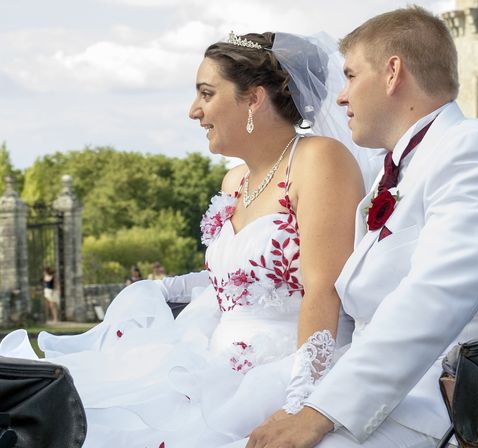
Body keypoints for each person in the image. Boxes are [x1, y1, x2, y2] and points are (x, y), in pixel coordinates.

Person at [0, 31, 371, 447]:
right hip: (213, 359)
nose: (194, 111)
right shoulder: (235, 180)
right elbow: (241, 279)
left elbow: (323, 287)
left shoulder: (320, 159)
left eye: (206, 94)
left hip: (285, 366)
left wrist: (301, 401)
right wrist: (166, 287)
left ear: (254, 99)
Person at [241, 5, 478, 448]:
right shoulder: (396, 169)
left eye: (351, 76)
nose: (339, 96)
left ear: (393, 73)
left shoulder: (476, 151)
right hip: (393, 392)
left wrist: (319, 412)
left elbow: (433, 297)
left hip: (461, 403)